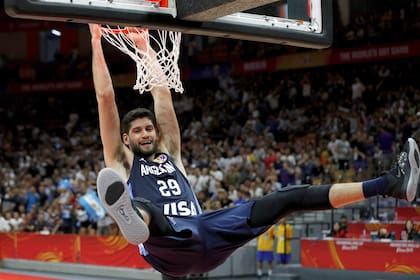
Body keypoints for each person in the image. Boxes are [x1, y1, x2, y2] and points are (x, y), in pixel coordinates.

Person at [89, 23, 420, 278]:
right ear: (126, 139)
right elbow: (106, 99)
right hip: (164, 246)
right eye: (137, 131)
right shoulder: (121, 163)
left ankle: (389, 184)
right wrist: (95, 41)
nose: (145, 133)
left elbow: (161, 94)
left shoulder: (171, 152)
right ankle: (132, 218)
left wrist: (145, 48)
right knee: (146, 207)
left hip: (205, 234)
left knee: (286, 199)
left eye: (149, 128)